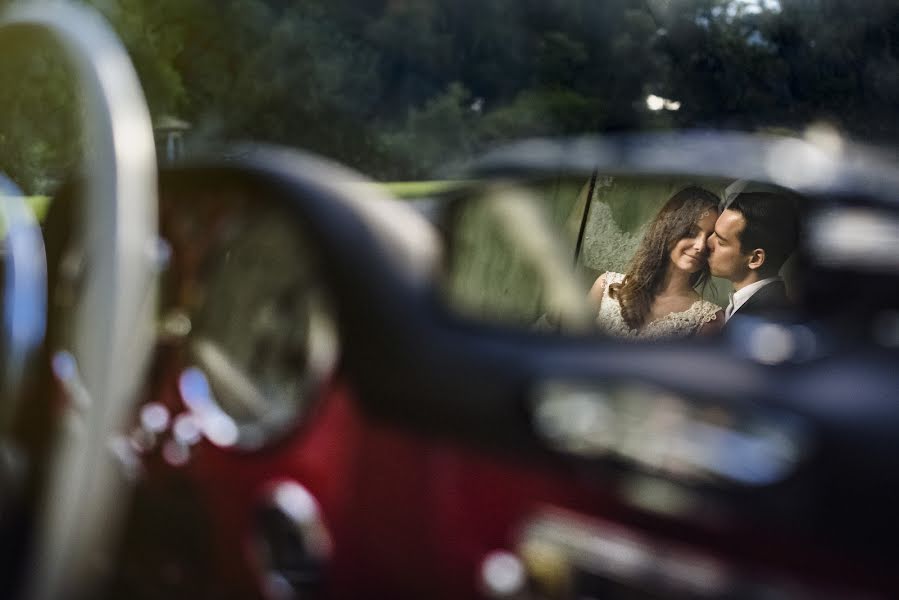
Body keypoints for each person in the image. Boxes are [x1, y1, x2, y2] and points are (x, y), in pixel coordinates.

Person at [589, 186, 724, 340]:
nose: (700, 246)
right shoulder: (605, 287)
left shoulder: (707, 319)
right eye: (692, 232)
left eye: (709, 238)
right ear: (669, 228)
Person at [707, 190, 799, 323]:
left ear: (755, 259)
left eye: (721, 242)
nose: (707, 242)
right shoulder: (753, 305)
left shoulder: (766, 317)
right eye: (713, 233)